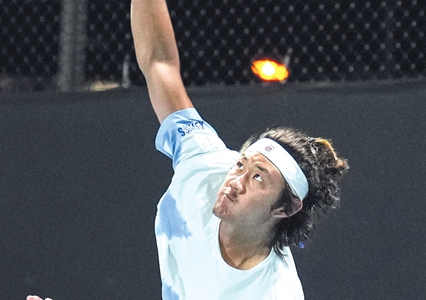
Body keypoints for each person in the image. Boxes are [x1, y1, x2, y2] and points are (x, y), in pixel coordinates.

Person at [131, 0, 349, 299]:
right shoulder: (205, 162)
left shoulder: (273, 293)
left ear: (286, 208)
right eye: (241, 165)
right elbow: (159, 63)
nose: (235, 183)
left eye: (259, 178)